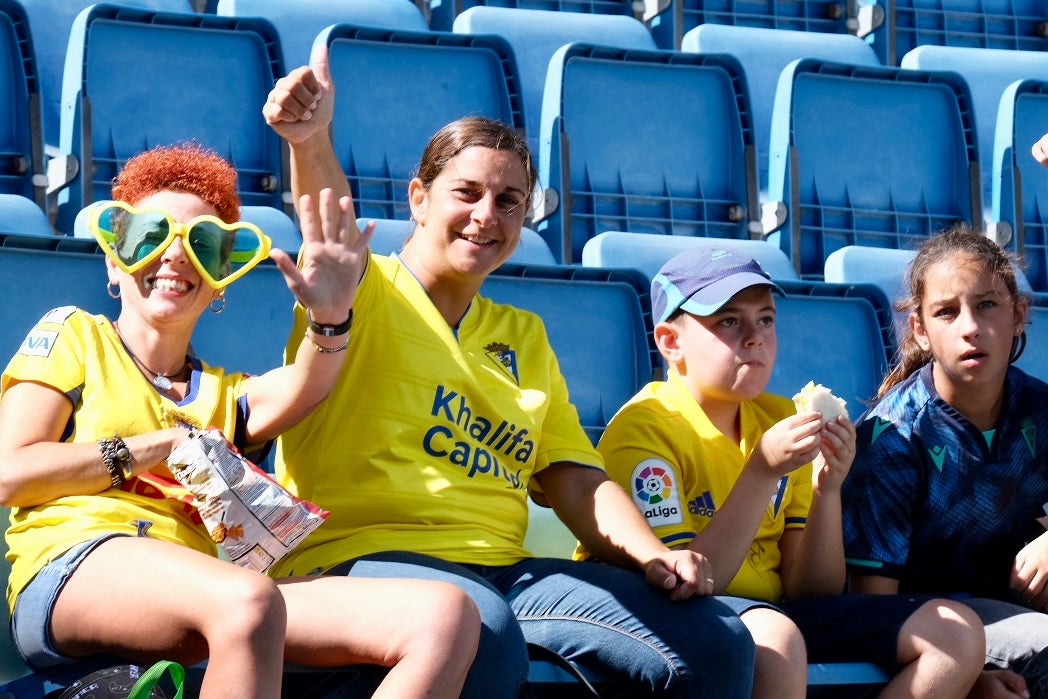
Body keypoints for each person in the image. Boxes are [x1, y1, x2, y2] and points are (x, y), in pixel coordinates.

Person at [262, 45, 757, 698]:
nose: (486, 215)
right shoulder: (361, 288)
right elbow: (328, 226)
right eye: (466, 192)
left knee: (714, 639)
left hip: (505, 571)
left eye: (509, 200)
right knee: (479, 626)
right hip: (358, 560)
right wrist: (311, 139)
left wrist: (653, 553)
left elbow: (576, 480)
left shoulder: (524, 335)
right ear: (418, 197)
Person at [0, 143, 481, 699]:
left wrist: (331, 317)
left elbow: (309, 382)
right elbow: (10, 473)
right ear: (114, 257)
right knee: (247, 600)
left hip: (214, 590)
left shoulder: (226, 394)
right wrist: (150, 447)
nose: (175, 258)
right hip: (73, 567)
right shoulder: (74, 334)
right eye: (150, 237)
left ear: (221, 278)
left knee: (443, 617)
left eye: (201, 246)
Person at [580, 246, 986, 697]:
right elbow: (686, 582)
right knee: (777, 637)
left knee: (955, 632)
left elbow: (812, 590)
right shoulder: (645, 429)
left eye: (766, 319)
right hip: (667, 616)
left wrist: (827, 490)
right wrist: (760, 474)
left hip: (773, 612)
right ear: (672, 342)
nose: (754, 336)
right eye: (728, 321)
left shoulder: (779, 417)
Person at [841, 224, 1048, 699]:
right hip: (940, 621)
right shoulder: (890, 435)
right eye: (947, 312)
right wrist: (965, 675)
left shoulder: (1040, 408)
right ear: (920, 329)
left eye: (987, 305)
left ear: (1018, 314)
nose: (970, 327)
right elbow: (874, 608)